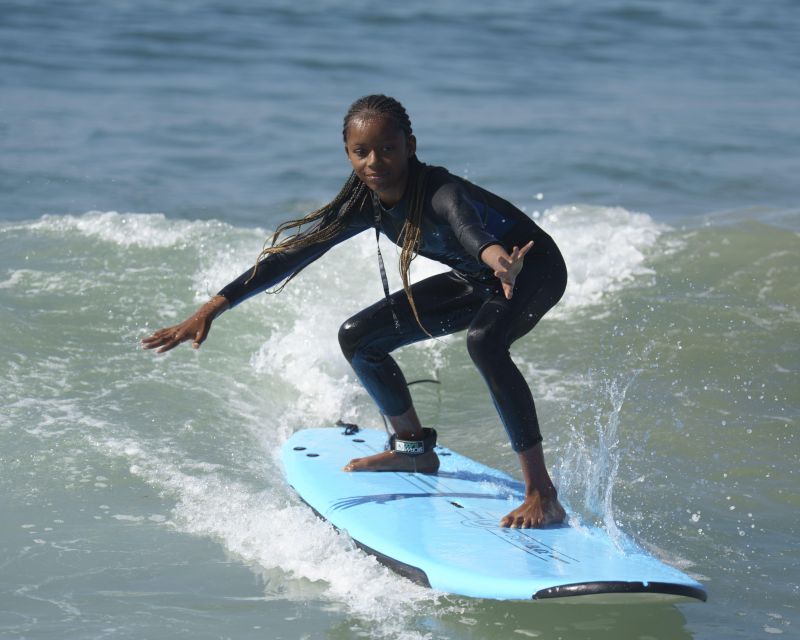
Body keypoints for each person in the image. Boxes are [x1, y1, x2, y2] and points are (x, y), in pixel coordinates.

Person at [143, 95, 567, 528]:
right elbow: (291, 255)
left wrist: (499, 261)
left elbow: (469, 229)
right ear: (347, 153)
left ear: (410, 146)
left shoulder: (443, 192)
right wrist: (213, 307)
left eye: (387, 149)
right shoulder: (365, 203)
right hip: (477, 279)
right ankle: (414, 451)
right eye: (361, 151)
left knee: (485, 342)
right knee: (359, 339)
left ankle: (542, 495)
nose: (374, 161)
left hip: (532, 270)